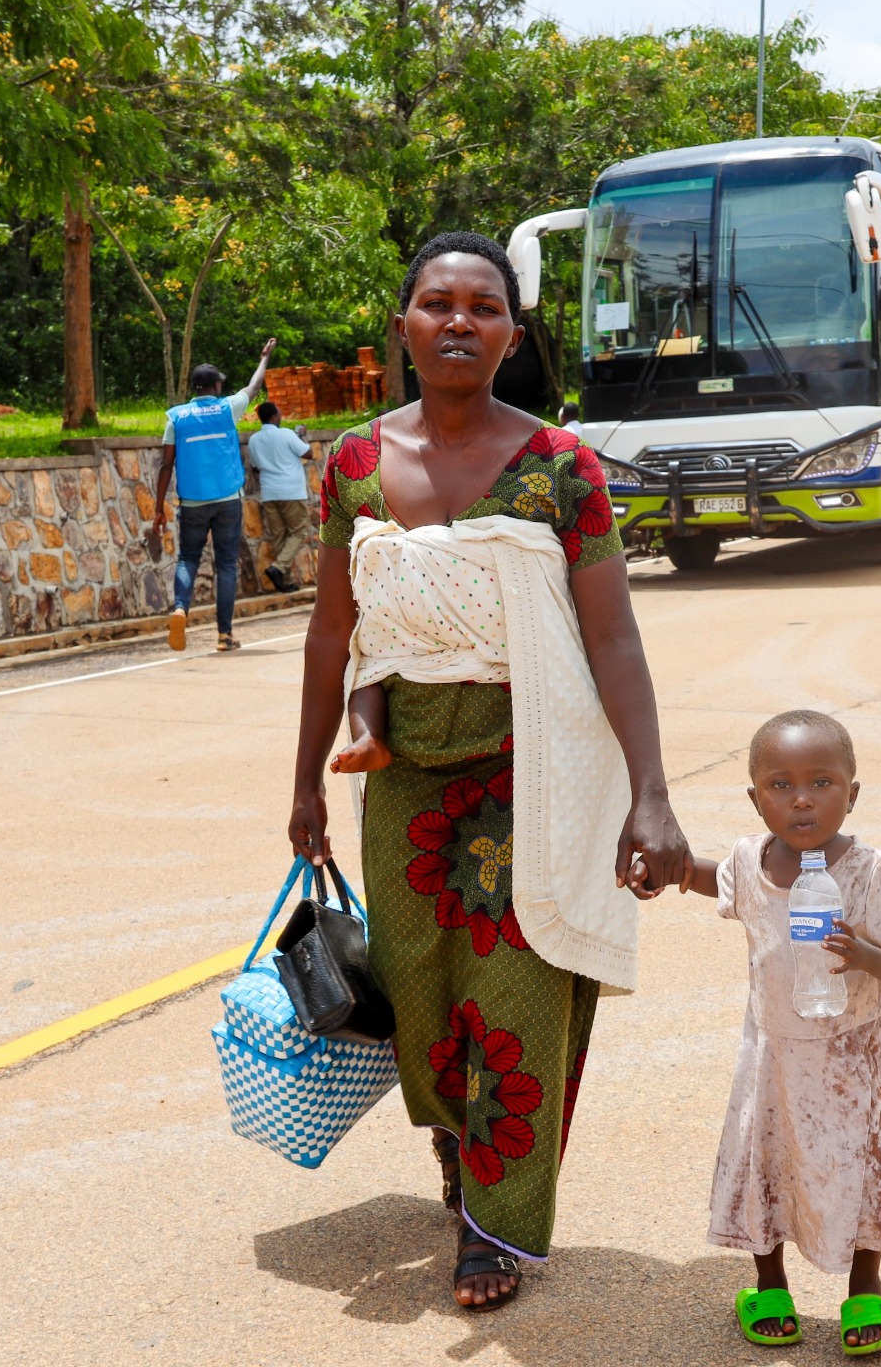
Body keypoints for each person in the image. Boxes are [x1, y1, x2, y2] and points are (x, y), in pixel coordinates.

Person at [289, 231, 691, 1311]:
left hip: (538, 768)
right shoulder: (355, 463)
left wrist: (650, 791)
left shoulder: (562, 465)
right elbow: (335, 630)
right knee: (420, 995)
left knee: (515, 997)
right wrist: (303, 784)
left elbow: (612, 638)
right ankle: (461, 1152)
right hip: (408, 774)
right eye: (437, 302)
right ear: (404, 326)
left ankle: (495, 1226)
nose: (459, 320)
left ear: (512, 333)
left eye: (483, 306)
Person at [662, 711, 881, 1357]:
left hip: (852, 1064)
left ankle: (866, 1286)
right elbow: (709, 879)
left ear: (852, 793)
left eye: (822, 783)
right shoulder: (753, 862)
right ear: (756, 799)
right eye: (780, 785)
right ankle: (768, 1283)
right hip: (775, 1057)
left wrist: (867, 954)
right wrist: (664, 871)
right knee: (767, 1165)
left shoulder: (871, 872)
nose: (802, 798)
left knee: (863, 1170)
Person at [146, 339, 276, 651]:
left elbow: (166, 464)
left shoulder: (175, 417)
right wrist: (264, 358)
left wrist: (158, 507)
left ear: (194, 388)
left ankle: (180, 607)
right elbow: (255, 386)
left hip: (191, 502)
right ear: (216, 386)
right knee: (227, 565)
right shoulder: (228, 407)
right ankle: (224, 635)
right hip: (228, 499)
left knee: (188, 558)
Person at [247, 401, 315, 594]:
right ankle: (278, 569)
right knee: (300, 530)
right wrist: (302, 436)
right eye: (279, 413)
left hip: (269, 493)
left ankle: (283, 581)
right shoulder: (286, 434)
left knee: (279, 536)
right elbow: (308, 453)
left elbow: (255, 468)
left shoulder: (254, 440)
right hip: (291, 491)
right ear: (274, 417)